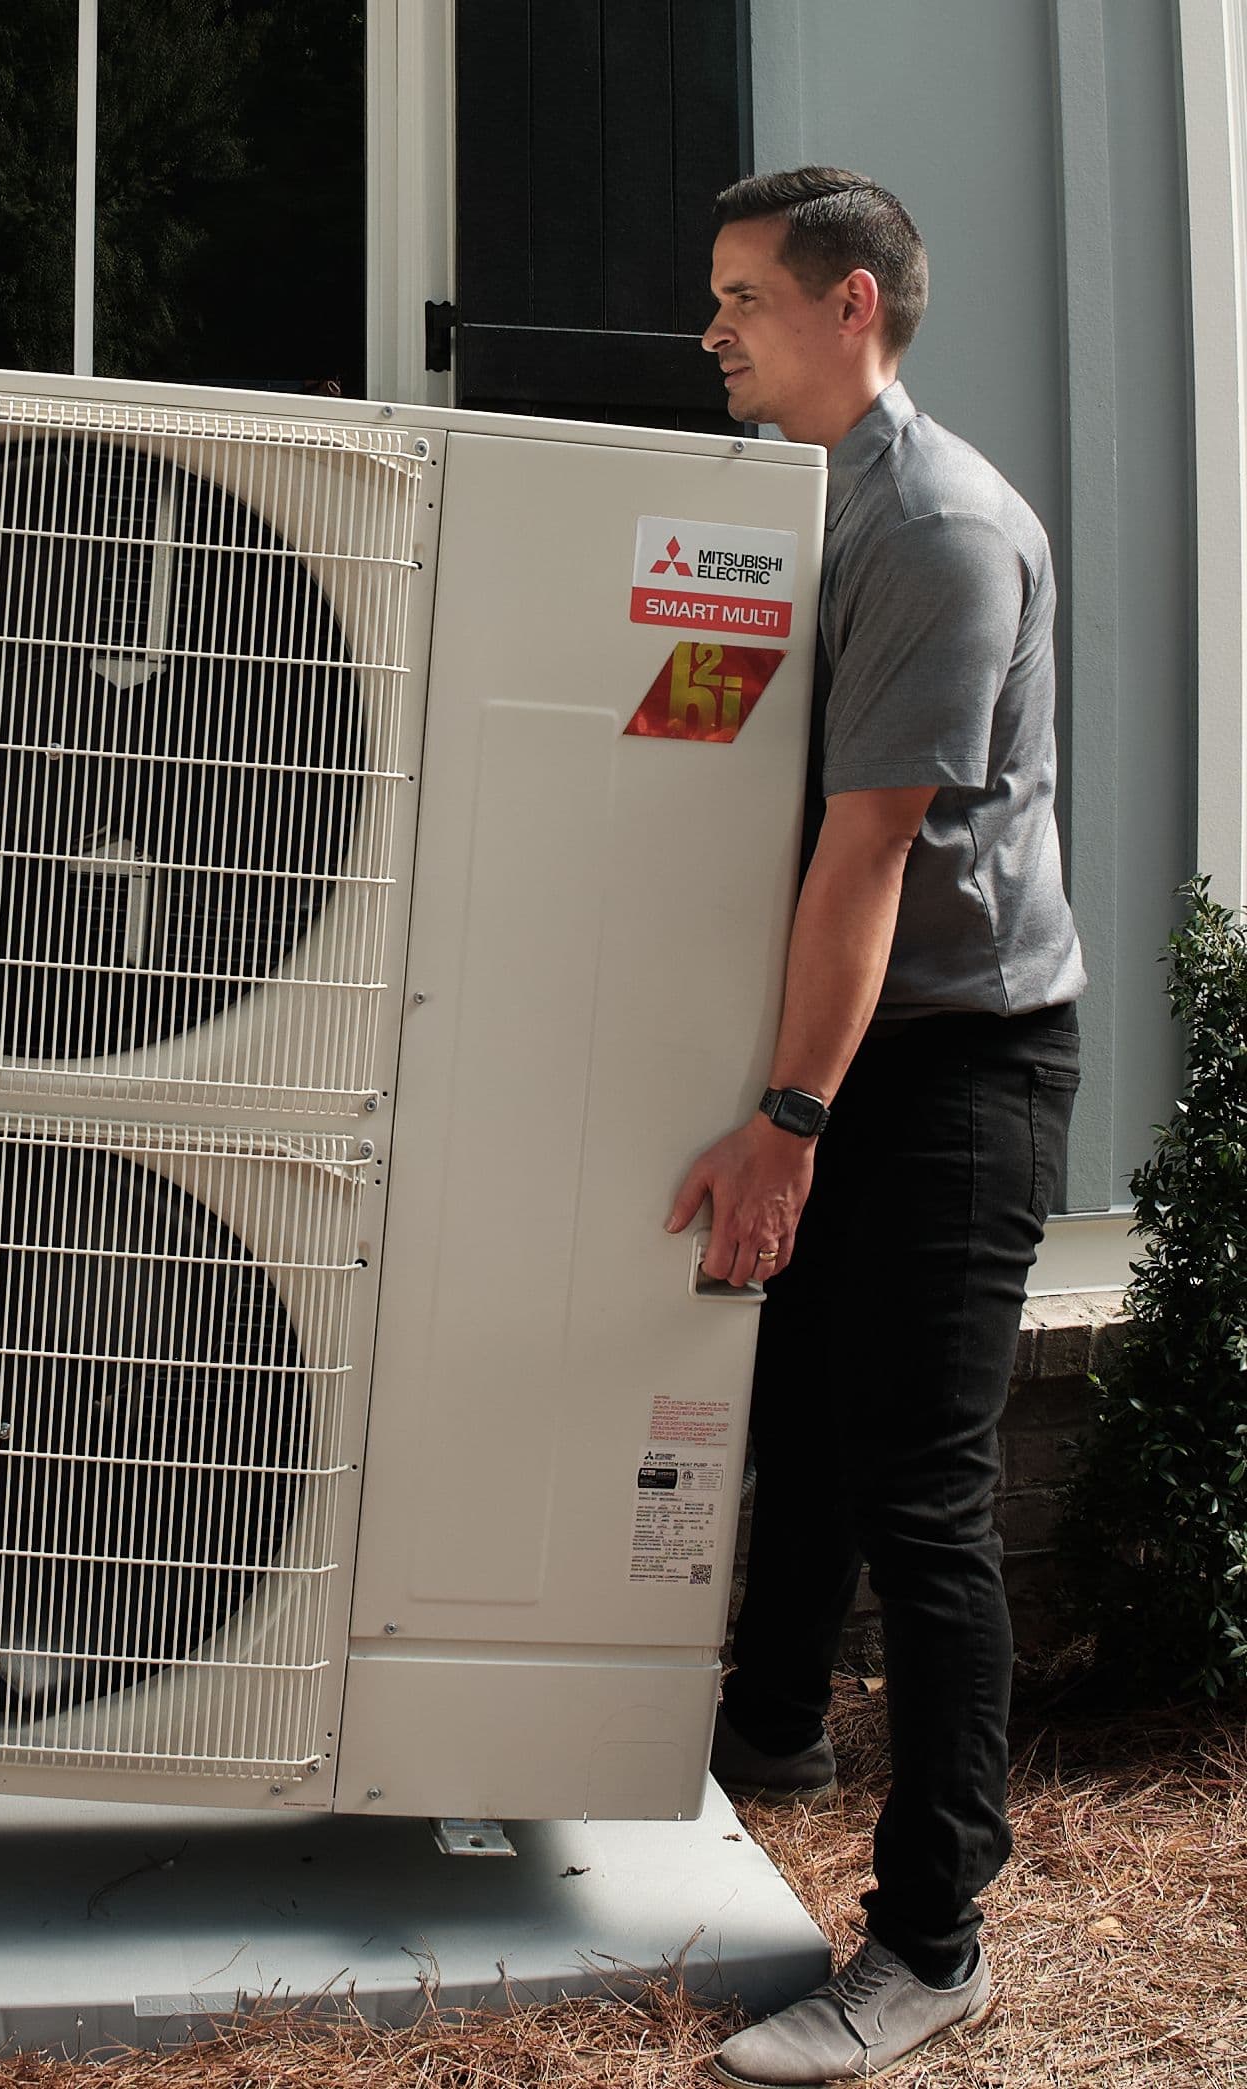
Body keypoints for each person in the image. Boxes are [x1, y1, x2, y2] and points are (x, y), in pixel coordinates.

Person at [665, 168, 1085, 2087]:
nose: (712, 331)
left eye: (745, 298)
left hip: (951, 1064)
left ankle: (933, 1939)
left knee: (924, 1496)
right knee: (803, 1423)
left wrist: (788, 1119)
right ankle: (763, 1747)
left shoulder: (931, 532)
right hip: (855, 1034)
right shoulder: (784, 503)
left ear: (852, 305)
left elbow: (866, 852)